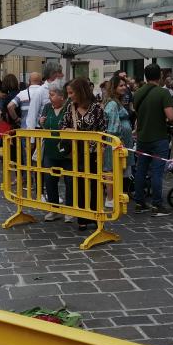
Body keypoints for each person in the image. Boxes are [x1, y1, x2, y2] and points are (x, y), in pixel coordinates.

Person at [61, 77, 106, 231]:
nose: (70, 96)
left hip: (93, 153)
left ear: (80, 92)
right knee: (79, 184)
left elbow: (103, 130)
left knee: (94, 184)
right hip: (76, 153)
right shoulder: (70, 107)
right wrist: (73, 132)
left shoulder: (97, 108)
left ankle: (94, 214)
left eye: (71, 92)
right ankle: (82, 217)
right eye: (68, 93)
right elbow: (63, 127)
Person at [131, 63, 173, 216]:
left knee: (141, 171)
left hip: (142, 137)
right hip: (159, 138)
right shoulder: (163, 93)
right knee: (157, 171)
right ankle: (157, 204)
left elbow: (137, 114)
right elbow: (170, 116)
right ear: (161, 76)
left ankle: (139, 202)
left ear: (145, 76)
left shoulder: (137, 93)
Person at [39, 82, 73, 222]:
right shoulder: (47, 107)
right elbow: (44, 125)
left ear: (61, 96)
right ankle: (54, 209)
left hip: (67, 152)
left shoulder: (69, 108)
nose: (49, 97)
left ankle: (70, 210)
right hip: (50, 150)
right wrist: (41, 122)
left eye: (52, 95)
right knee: (49, 180)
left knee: (69, 181)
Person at [102, 74, 134, 210]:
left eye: (124, 85)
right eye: (121, 85)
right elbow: (113, 127)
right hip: (115, 143)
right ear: (114, 88)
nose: (124, 87)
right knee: (111, 168)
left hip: (120, 142)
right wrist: (119, 141)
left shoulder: (117, 102)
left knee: (118, 169)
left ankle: (116, 196)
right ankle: (110, 198)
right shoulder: (113, 103)